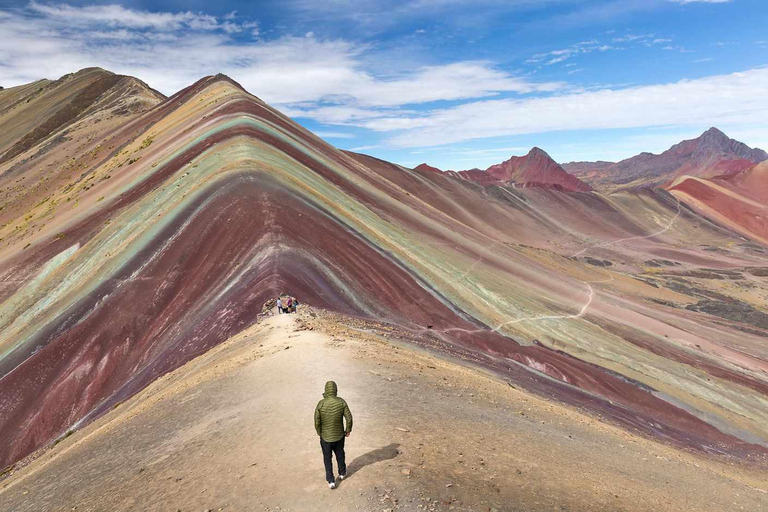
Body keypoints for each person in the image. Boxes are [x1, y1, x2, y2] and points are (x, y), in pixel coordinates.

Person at [314, 381, 353, 489]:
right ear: (335, 390)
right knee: (340, 454)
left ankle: (331, 480)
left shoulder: (321, 404)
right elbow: (349, 417)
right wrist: (348, 430)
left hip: (325, 437)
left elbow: (317, 421)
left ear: (326, 390)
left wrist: (319, 432)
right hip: (339, 435)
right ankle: (342, 473)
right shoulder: (341, 402)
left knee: (327, 458)